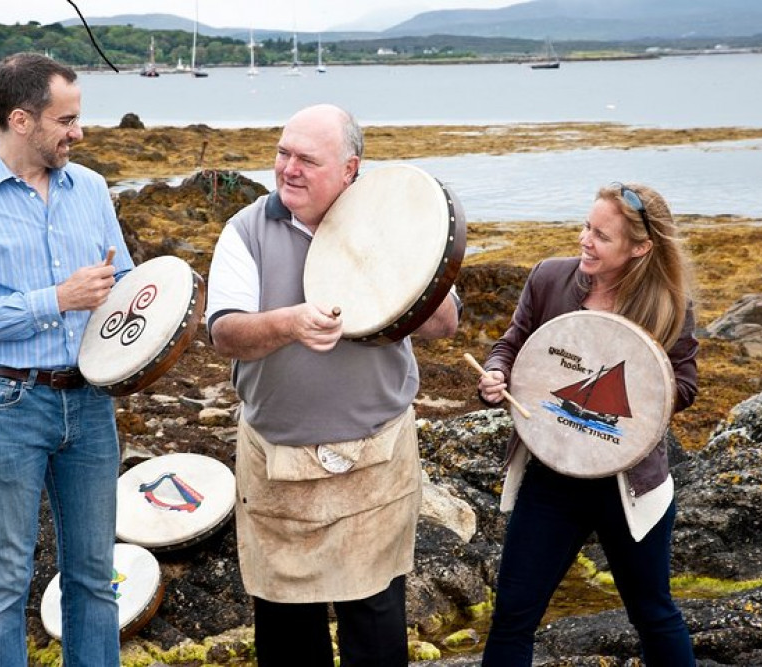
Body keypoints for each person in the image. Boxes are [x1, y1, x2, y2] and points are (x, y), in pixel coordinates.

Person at [205, 103, 461, 666]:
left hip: (376, 461)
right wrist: (289, 323)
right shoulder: (247, 230)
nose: (288, 169)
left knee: (375, 626)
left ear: (350, 170)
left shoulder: (389, 221)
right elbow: (224, 332)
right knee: (287, 631)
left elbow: (446, 323)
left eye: (307, 160)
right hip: (277, 465)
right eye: (283, 153)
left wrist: (398, 260)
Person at [0, 53, 133, 667]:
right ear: (20, 120)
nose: (79, 132)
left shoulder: (91, 188)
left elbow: (121, 283)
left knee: (95, 574)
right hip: (4, 404)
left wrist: (164, 316)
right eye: (65, 119)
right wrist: (56, 300)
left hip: (91, 403)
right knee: (3, 578)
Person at [477, 183, 698, 665]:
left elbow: (684, 386)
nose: (585, 240)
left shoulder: (667, 304)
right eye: (586, 226)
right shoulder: (549, 279)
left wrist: (642, 385)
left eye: (601, 235)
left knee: (653, 613)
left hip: (630, 484)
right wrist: (496, 373)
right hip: (552, 478)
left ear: (640, 248)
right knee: (513, 616)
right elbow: (511, 344)